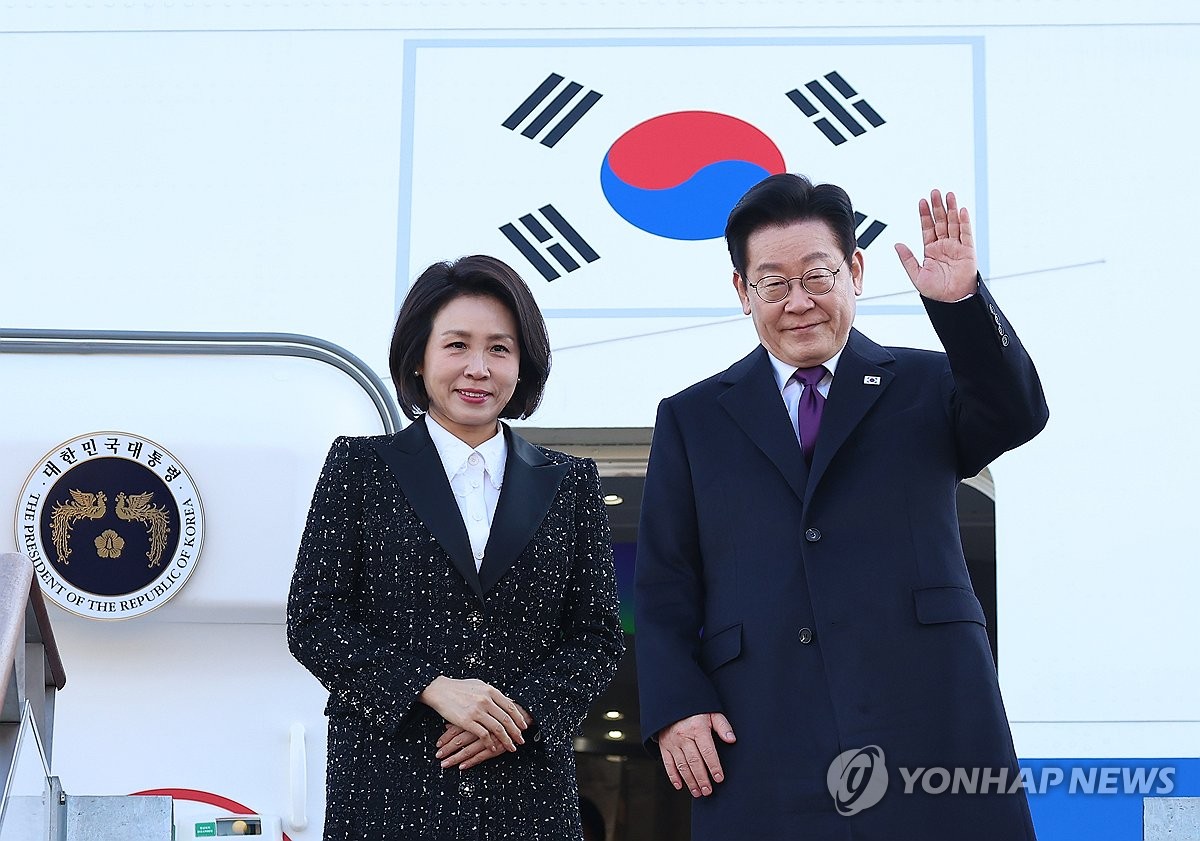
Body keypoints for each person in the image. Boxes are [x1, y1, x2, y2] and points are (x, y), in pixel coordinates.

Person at [634, 175, 1048, 840]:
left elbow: (1017, 414)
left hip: (929, 717)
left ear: (854, 271)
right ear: (742, 292)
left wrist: (962, 307)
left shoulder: (928, 382)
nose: (799, 302)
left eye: (817, 276)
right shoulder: (693, 418)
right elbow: (664, 583)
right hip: (762, 730)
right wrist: (676, 704)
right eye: (774, 283)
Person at [287, 254, 625, 841]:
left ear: (523, 364)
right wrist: (431, 687)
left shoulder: (571, 483)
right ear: (419, 357)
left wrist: (515, 714)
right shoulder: (359, 467)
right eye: (457, 345)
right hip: (387, 791)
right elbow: (315, 620)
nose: (478, 368)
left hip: (526, 794)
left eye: (499, 349)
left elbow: (596, 637)